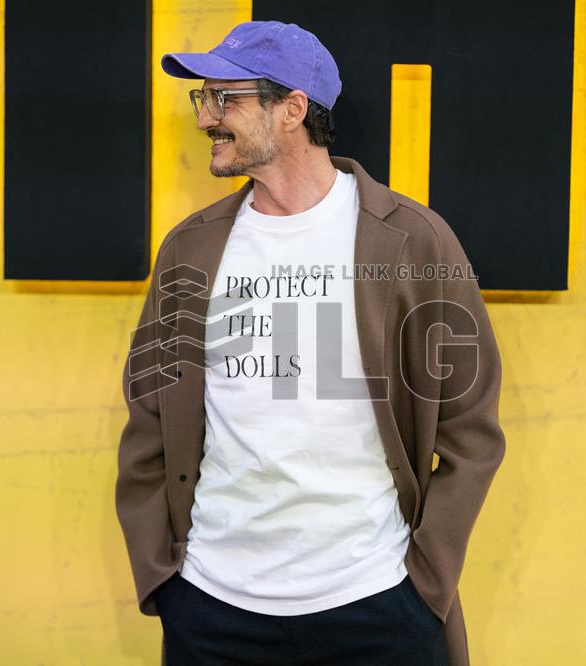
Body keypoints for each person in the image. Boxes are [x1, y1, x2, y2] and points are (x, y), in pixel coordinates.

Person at [116, 20, 506, 666]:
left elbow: (471, 424)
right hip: (212, 609)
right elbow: (150, 415)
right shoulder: (192, 247)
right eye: (202, 98)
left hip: (378, 604)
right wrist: (165, 579)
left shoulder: (412, 239)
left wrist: (426, 585)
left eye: (225, 98)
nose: (205, 117)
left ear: (293, 109)